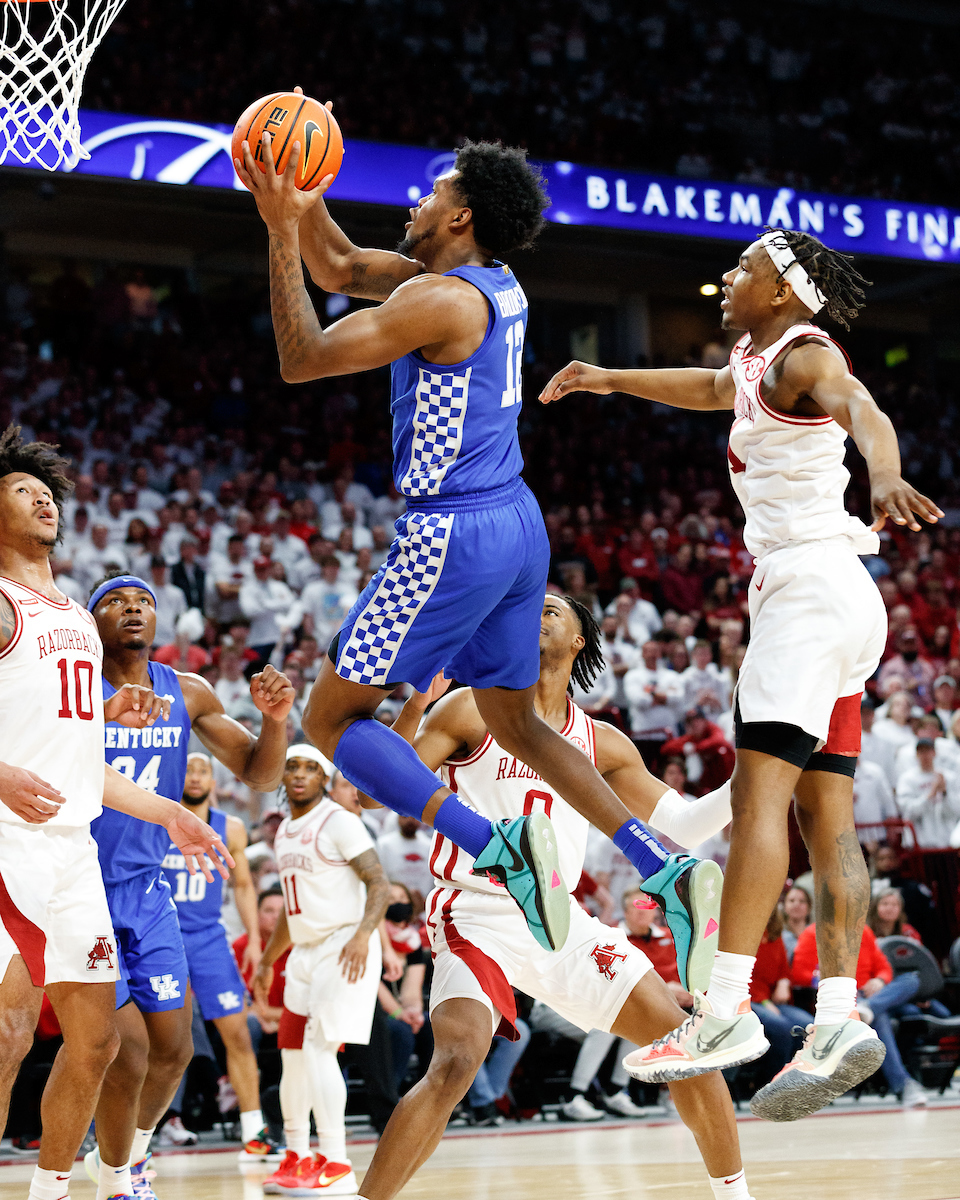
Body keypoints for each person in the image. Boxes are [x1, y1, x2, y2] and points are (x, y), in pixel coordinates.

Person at [237, 124, 720, 963]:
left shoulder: (440, 300)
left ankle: (495, 846)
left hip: (451, 528)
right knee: (520, 723)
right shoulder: (486, 283)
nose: (417, 201)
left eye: (434, 194)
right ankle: (663, 864)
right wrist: (299, 197)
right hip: (516, 521)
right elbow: (343, 269)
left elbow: (302, 357)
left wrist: (277, 229)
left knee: (330, 717)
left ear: (460, 219)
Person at [541, 227, 942, 1119]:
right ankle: (836, 1017)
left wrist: (885, 473)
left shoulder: (804, 353)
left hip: (805, 590)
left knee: (762, 803)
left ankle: (724, 1009)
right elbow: (708, 388)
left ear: (787, 291)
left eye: (745, 270)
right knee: (825, 809)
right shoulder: (758, 362)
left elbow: (862, 407)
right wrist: (608, 378)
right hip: (843, 599)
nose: (727, 278)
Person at [353, 594, 756, 1200]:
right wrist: (417, 704)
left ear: (578, 642)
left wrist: (762, 765)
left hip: (561, 919)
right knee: (457, 1062)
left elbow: (691, 824)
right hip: (476, 908)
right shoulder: (469, 708)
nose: (535, 615)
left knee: (684, 1042)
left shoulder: (603, 742)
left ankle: (735, 1194)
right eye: (529, 609)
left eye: (552, 610)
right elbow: (374, 792)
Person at [0, 427, 231, 1200]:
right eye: (19, 489)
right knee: (8, 1036)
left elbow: (77, 764)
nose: (40, 498)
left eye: (46, 492)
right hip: (8, 842)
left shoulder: (68, 615)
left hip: (71, 851)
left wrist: (169, 812)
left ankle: (52, 1190)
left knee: (97, 1041)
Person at [84, 574, 294, 1200]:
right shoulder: (73, 686)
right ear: (90, 622)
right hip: (81, 884)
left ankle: (125, 1157)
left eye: (144, 602)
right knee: (125, 1052)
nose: (132, 610)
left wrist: (277, 720)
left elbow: (260, 775)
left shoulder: (189, 692)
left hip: (148, 890)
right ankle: (116, 1177)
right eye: (115, 603)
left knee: (172, 1051)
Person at [254, 746, 391, 1198]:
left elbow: (379, 883)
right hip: (306, 949)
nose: (298, 774)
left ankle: (337, 1163)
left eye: (311, 767)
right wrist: (268, 960)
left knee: (317, 1050)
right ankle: (297, 1154)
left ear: (325, 779)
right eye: (291, 765)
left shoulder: (339, 821)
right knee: (291, 1053)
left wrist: (362, 935)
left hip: (344, 943)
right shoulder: (285, 832)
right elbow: (292, 915)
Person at [160, 753, 269, 1155]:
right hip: (162, 936)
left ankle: (253, 1129)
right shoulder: (156, 818)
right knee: (159, 1041)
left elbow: (242, 886)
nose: (194, 775)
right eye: (187, 768)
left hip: (208, 939)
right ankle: (135, 1133)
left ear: (213, 778)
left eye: (202, 769)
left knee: (237, 1034)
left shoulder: (232, 829)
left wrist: (255, 940)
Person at [791, 920, 927, 1108]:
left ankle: (868, 1007)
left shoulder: (864, 931)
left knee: (911, 980)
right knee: (879, 1017)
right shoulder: (812, 933)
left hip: (870, 994)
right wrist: (830, 982)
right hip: (840, 998)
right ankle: (903, 1084)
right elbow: (799, 973)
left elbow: (884, 967)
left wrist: (879, 980)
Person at [749, 908, 813, 1081]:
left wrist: (784, 982)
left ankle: (800, 1080)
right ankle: (772, 1082)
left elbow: (784, 970)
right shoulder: (744, 936)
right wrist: (763, 1002)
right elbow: (739, 975)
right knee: (782, 1028)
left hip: (773, 1000)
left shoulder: (775, 937)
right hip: (747, 999)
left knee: (809, 1027)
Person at [896, 737, 960, 847]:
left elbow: (955, 811)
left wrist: (945, 793)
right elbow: (908, 811)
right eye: (921, 752)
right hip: (920, 841)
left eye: (928, 751)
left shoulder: (948, 777)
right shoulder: (907, 779)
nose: (925, 755)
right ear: (916, 755)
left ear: (934, 753)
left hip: (946, 841)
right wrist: (931, 793)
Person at [780, 886, 812, 964]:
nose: (796, 904)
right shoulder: (779, 937)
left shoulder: (817, 935)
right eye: (791, 901)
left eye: (802, 901)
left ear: (809, 907)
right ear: (784, 906)